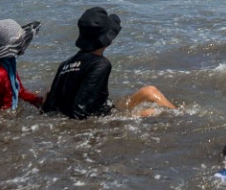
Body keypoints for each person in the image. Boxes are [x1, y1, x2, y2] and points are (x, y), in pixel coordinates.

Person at [41, 7, 176, 119]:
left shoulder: (65, 64)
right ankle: (181, 117)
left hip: (102, 107)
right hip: (105, 118)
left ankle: (179, 114)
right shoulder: (100, 64)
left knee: (149, 91)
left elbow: (50, 105)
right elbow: (80, 111)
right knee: (153, 112)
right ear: (107, 39)